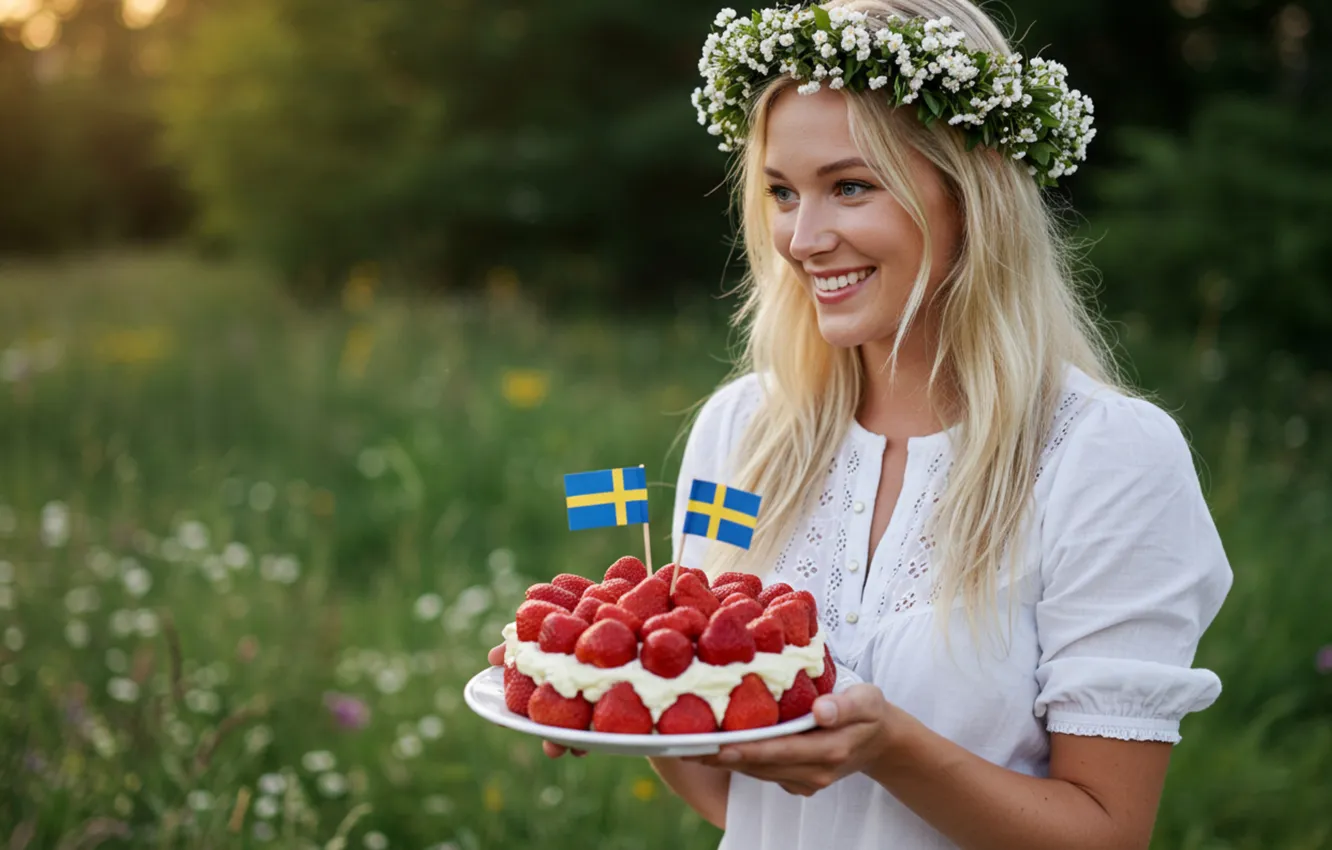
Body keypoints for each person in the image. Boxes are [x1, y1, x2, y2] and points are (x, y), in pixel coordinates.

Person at [491, 0, 1233, 847]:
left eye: (849, 186)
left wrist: (891, 750)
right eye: (780, 192)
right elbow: (743, 799)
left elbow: (1107, 832)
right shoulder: (747, 432)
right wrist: (614, 693)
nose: (802, 238)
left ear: (971, 192)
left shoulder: (1105, 459)